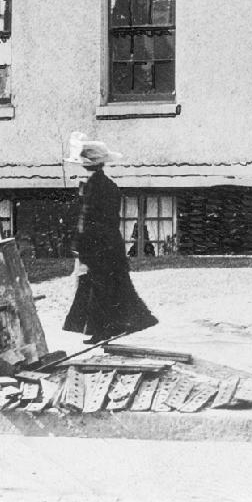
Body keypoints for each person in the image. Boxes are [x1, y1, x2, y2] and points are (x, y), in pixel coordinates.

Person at [61, 131, 159, 343]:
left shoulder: (93, 187)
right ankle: (109, 328)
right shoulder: (108, 185)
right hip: (110, 243)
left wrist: (80, 246)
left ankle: (108, 329)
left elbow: (86, 220)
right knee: (111, 285)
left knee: (100, 287)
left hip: (97, 245)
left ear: (86, 165)